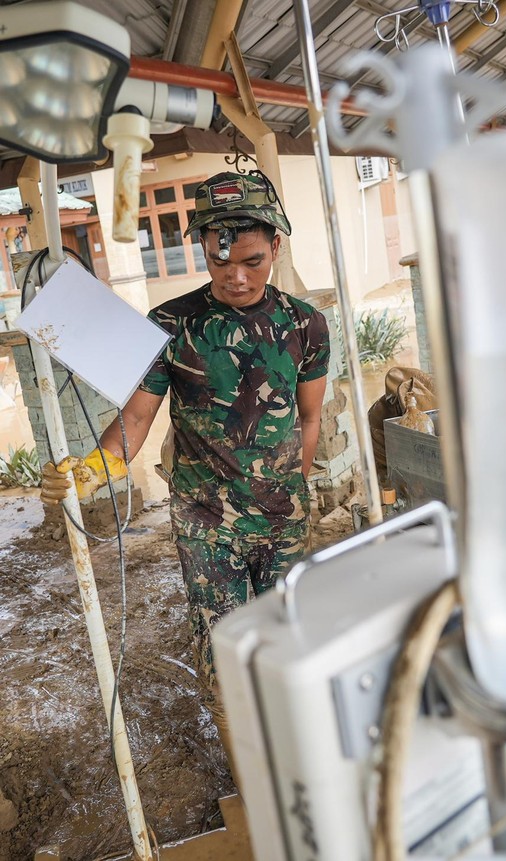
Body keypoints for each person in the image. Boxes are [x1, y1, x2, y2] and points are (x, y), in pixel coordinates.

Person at [41, 169, 331, 781]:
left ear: (275, 245)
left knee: (290, 643)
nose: (238, 276)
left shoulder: (306, 324)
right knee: (225, 653)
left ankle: (304, 764)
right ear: (203, 248)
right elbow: (137, 418)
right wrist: (95, 469)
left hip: (285, 521)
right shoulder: (171, 324)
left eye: (253, 260)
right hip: (207, 526)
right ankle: (253, 779)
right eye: (221, 260)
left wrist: (293, 491)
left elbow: (308, 419)